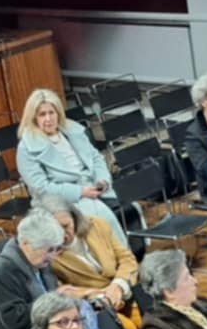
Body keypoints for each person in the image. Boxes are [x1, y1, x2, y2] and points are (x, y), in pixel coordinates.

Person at [0, 209, 98, 329]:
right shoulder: (2, 271)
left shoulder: (40, 262)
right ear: (25, 243)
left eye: (55, 249)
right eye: (49, 250)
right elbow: (15, 321)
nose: (53, 256)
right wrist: (55, 299)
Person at [14, 87, 126, 241]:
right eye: (42, 114)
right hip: (60, 200)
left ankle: (125, 252)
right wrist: (80, 191)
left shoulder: (72, 130)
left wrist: (102, 181)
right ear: (34, 118)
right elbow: (42, 188)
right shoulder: (26, 148)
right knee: (100, 220)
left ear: (58, 113)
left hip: (92, 187)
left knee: (130, 207)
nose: (48, 119)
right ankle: (111, 254)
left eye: (51, 112)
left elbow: (96, 158)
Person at [42, 194, 141, 329]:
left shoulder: (97, 225)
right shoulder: (48, 255)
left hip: (126, 290)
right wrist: (102, 294)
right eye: (55, 229)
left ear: (75, 218)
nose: (63, 234)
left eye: (66, 226)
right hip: (97, 306)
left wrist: (118, 285)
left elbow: (127, 259)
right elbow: (62, 291)